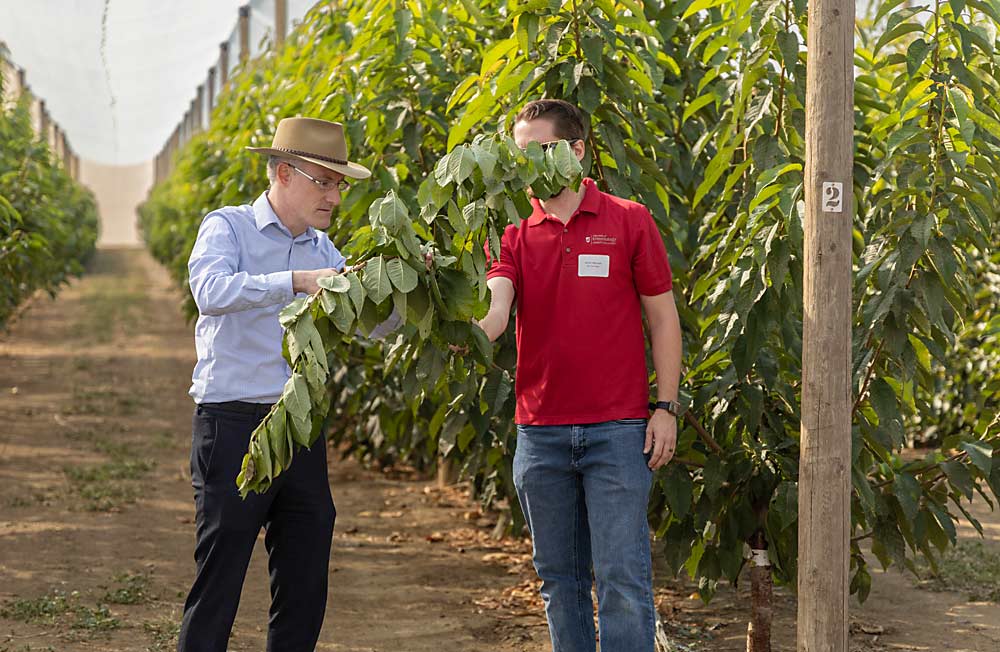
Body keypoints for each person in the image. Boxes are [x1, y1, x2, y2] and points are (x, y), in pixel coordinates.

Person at [477, 99, 683, 652]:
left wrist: (665, 408)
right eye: (520, 155)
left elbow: (662, 318)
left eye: (542, 151)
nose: (530, 166)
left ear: (576, 151)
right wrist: (442, 305)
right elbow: (495, 315)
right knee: (558, 584)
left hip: (617, 431)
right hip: (539, 434)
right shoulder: (515, 234)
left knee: (623, 583)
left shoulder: (628, 219)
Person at [178, 117, 371, 652]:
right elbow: (211, 291)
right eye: (324, 182)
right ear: (285, 174)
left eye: (340, 185)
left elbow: (369, 317)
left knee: (305, 575)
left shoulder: (323, 249)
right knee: (221, 574)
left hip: (299, 426)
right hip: (234, 422)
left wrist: (406, 282)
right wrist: (293, 281)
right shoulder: (229, 227)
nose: (334, 196)